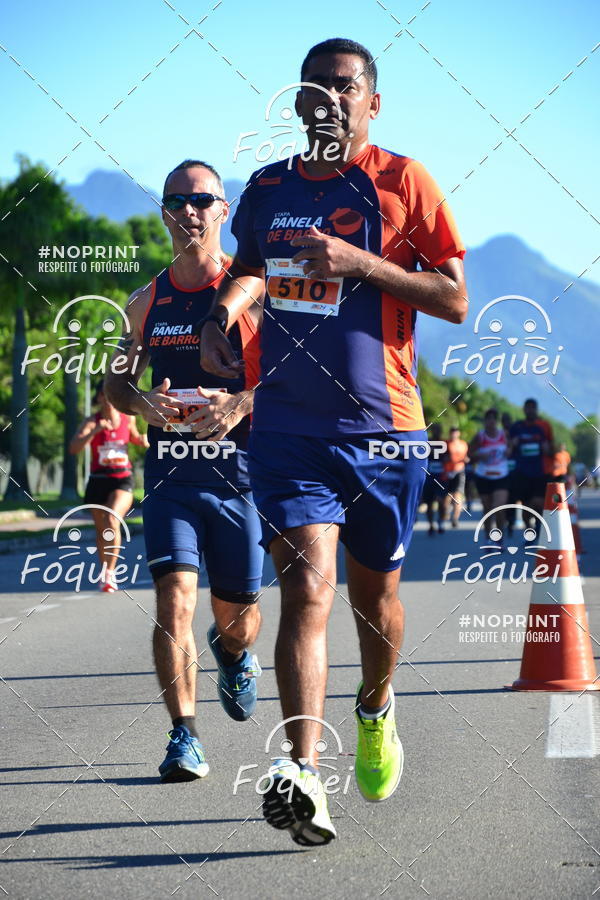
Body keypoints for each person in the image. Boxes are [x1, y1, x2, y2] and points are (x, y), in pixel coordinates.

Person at [200, 38, 467, 844]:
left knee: (373, 600)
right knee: (308, 587)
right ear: (297, 102)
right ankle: (302, 773)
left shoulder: (403, 182)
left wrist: (360, 261)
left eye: (345, 88)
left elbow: (454, 297)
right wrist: (224, 313)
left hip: (385, 429)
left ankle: (377, 704)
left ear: (371, 104)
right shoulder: (270, 187)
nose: (329, 99)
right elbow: (250, 266)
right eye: (314, 87)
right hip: (285, 424)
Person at [105, 159, 264, 783]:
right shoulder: (145, 300)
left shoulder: (252, 290)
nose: (190, 211)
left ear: (223, 210)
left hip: (240, 479)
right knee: (173, 600)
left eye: (203, 200)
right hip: (171, 478)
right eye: (177, 200)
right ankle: (183, 735)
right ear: (166, 212)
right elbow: (115, 385)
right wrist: (146, 404)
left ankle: (232, 656)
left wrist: (239, 403)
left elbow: (289, 377)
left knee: (239, 619)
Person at [69, 381, 148, 591]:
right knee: (101, 529)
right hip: (98, 479)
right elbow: (74, 448)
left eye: (113, 395)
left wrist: (143, 439)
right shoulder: (91, 421)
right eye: (106, 395)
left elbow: (135, 438)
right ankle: (104, 570)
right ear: (100, 398)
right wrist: (94, 430)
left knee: (112, 519)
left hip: (122, 478)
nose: (110, 399)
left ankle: (111, 573)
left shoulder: (127, 418)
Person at [509, 398, 553, 531]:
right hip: (521, 471)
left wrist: (548, 449)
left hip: (539, 471)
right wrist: (513, 444)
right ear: (524, 409)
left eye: (533, 408)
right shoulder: (517, 427)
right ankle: (529, 528)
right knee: (526, 505)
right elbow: (509, 447)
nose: (530, 410)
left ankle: (539, 525)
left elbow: (550, 447)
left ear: (536, 410)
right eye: (527, 408)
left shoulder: (543, 426)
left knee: (538, 502)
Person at [469, 408, 510, 548]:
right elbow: (469, 454)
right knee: (487, 509)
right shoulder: (479, 436)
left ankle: (500, 539)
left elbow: (511, 450)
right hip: (483, 476)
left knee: (499, 508)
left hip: (501, 475)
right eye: (488, 419)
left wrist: (510, 450)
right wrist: (480, 456)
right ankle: (487, 538)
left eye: (493, 419)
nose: (490, 422)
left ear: (496, 422)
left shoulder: (503, 434)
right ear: (485, 421)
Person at [421, 423, 448, 535]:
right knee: (429, 502)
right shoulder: (427, 443)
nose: (436, 432)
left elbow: (449, 457)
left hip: (441, 477)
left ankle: (441, 522)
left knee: (441, 501)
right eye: (434, 430)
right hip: (429, 476)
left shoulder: (444, 443)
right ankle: (431, 524)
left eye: (438, 430)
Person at [441, 426, 469, 528]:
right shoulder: (446, 444)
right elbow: (441, 457)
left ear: (459, 433)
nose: (454, 434)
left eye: (456, 432)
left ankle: (455, 518)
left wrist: (466, 460)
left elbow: (466, 457)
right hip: (447, 473)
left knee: (457, 496)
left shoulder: (463, 444)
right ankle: (446, 514)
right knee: (447, 497)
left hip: (459, 472)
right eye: (452, 432)